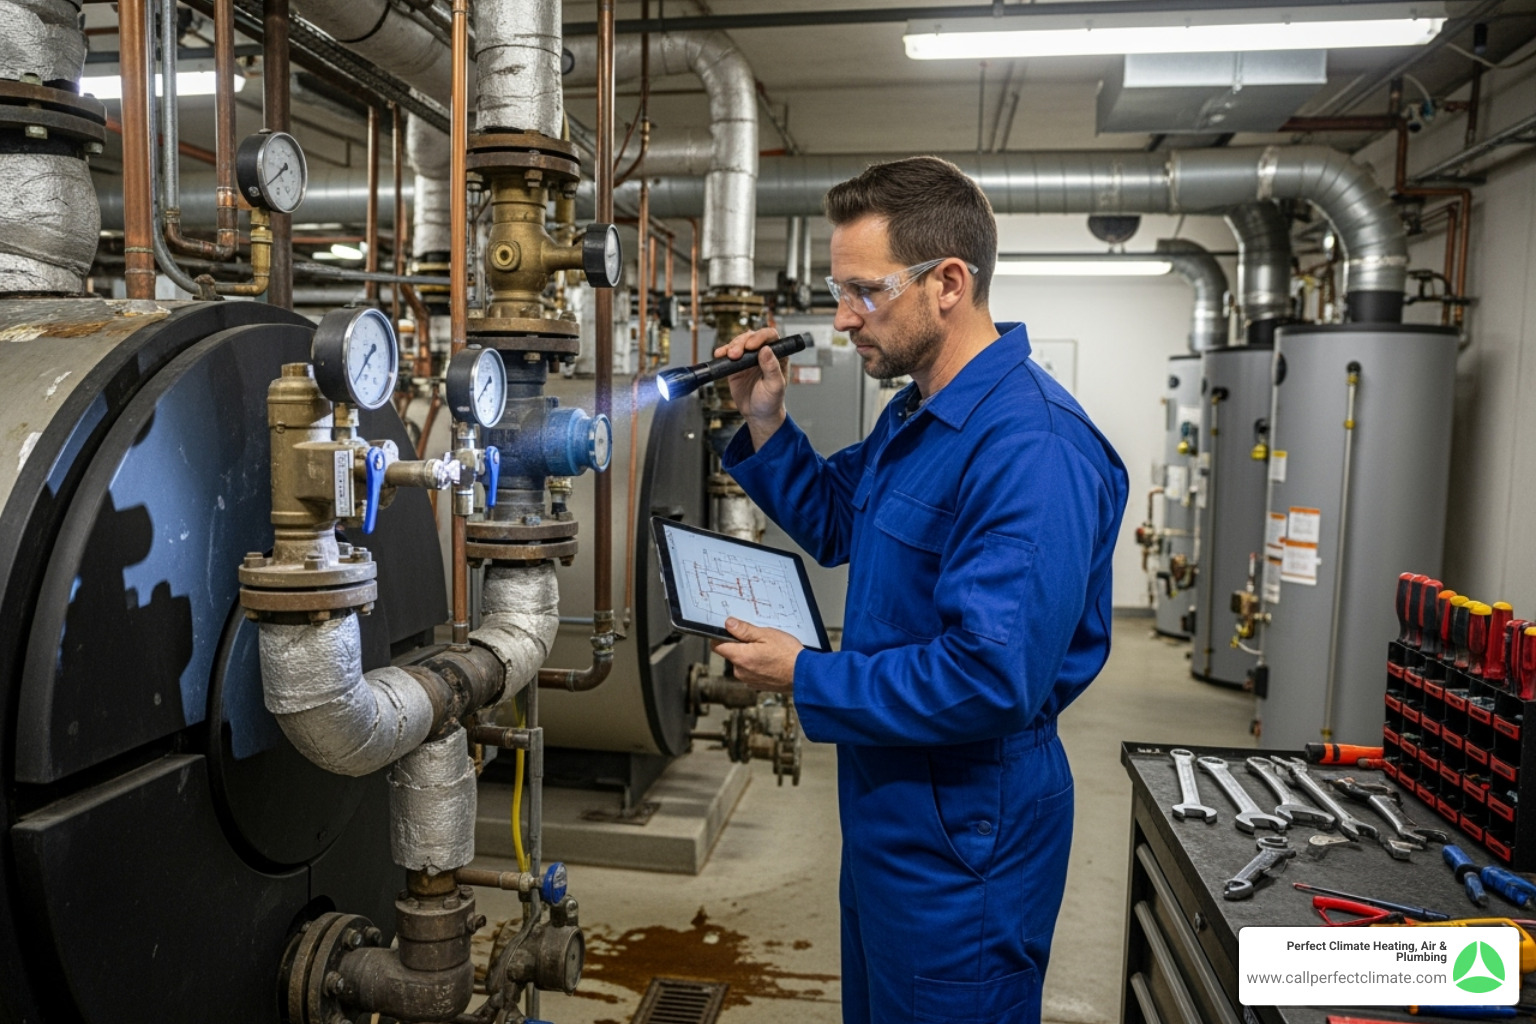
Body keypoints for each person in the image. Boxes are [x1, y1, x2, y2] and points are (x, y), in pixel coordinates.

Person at [710, 156, 1129, 1024]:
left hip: (967, 833)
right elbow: (839, 521)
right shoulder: (918, 416)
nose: (842, 318)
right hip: (891, 802)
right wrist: (766, 421)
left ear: (948, 284)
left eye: (865, 292)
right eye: (840, 291)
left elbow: (990, 676)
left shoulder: (1032, 449)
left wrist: (807, 673)